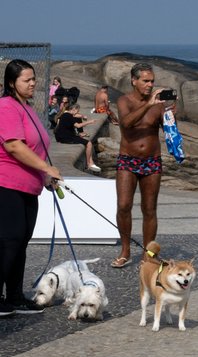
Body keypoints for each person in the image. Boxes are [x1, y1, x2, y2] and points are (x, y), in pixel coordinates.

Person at [0, 59, 62, 316]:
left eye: (34, 78)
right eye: (27, 79)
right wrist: (47, 169)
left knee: (20, 242)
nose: (33, 83)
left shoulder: (26, 108)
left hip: (29, 187)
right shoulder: (6, 106)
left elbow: (35, 148)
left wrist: (45, 176)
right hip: (7, 184)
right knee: (8, 242)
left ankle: (14, 296)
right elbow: (14, 145)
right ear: (12, 82)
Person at [111, 62, 174, 268]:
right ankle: (126, 250)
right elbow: (127, 123)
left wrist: (172, 113)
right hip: (127, 159)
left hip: (152, 161)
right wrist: (148, 104)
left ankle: (149, 254)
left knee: (149, 209)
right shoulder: (124, 100)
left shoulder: (158, 105)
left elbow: (169, 131)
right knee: (123, 205)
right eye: (146, 81)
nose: (150, 85)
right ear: (134, 81)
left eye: (152, 81)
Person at [54, 103, 101, 172]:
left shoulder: (65, 114)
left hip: (62, 136)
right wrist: (90, 122)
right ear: (74, 109)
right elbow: (78, 126)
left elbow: (77, 117)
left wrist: (82, 117)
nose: (78, 113)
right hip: (66, 138)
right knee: (89, 143)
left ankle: (91, 162)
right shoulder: (68, 116)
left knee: (86, 142)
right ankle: (89, 164)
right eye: (77, 111)